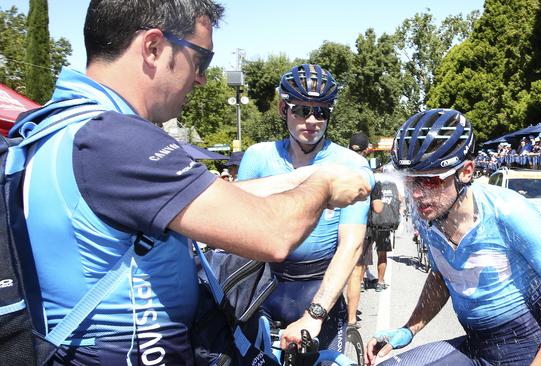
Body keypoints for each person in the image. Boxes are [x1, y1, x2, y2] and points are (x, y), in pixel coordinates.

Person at [19, 2, 371, 365]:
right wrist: (325, 184)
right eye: (201, 59)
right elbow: (272, 234)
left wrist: (301, 177)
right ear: (153, 48)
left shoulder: (61, 125)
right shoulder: (116, 139)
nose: (201, 78)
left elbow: (206, 197)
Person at [365, 109, 541, 366]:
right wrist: (408, 329)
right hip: (476, 345)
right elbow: (441, 277)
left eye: (430, 180)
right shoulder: (429, 214)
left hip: (527, 351)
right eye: (410, 181)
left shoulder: (509, 212)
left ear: (466, 171)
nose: (417, 194)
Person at [237, 64, 373, 353]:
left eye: (321, 112)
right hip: (263, 284)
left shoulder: (350, 165)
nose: (312, 120)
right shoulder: (258, 157)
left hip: (317, 286)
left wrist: (316, 315)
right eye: (301, 109)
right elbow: (235, 221)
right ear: (282, 109)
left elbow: (351, 245)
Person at [346, 132, 383, 328]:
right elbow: (378, 208)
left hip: (335, 226)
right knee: (355, 272)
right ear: (367, 150)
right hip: (360, 229)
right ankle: (351, 318)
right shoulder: (368, 175)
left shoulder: (338, 169)